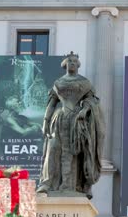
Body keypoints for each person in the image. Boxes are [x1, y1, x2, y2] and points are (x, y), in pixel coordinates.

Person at [36, 52, 104, 199]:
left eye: (75, 61)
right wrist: (45, 121)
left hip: (76, 120)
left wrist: (84, 110)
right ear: (65, 64)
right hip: (58, 119)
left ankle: (70, 185)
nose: (72, 63)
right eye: (70, 61)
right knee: (53, 149)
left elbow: (92, 101)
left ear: (78, 65)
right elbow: (52, 103)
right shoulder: (58, 83)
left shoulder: (85, 83)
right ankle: (47, 184)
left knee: (73, 152)